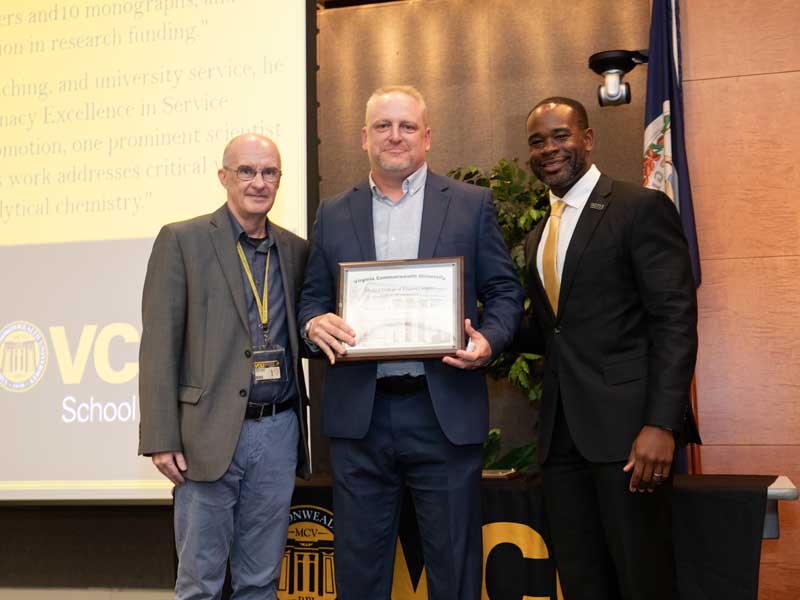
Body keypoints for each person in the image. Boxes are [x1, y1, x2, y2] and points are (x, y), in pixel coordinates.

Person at [298, 85, 523, 600]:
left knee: (454, 571)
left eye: (406, 127)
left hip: (442, 413)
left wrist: (489, 339)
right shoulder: (333, 212)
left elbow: (505, 291)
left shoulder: (471, 205)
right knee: (359, 573)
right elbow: (311, 298)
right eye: (382, 126)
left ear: (427, 137)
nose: (394, 136)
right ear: (363, 138)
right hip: (362, 418)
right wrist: (314, 325)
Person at [517, 97, 700, 600]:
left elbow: (674, 320)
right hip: (561, 441)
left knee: (643, 578)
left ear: (588, 139)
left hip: (629, 438)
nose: (549, 149)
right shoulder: (538, 235)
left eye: (561, 135)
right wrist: (477, 333)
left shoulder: (638, 207)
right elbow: (552, 330)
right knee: (582, 580)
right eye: (537, 141)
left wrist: (661, 423)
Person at [138, 133, 311, 600]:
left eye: (269, 172)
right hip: (205, 434)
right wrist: (160, 437)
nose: (259, 182)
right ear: (224, 177)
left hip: (277, 431)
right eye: (247, 171)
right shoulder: (182, 240)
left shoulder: (294, 250)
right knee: (199, 583)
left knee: (261, 582)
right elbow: (158, 345)